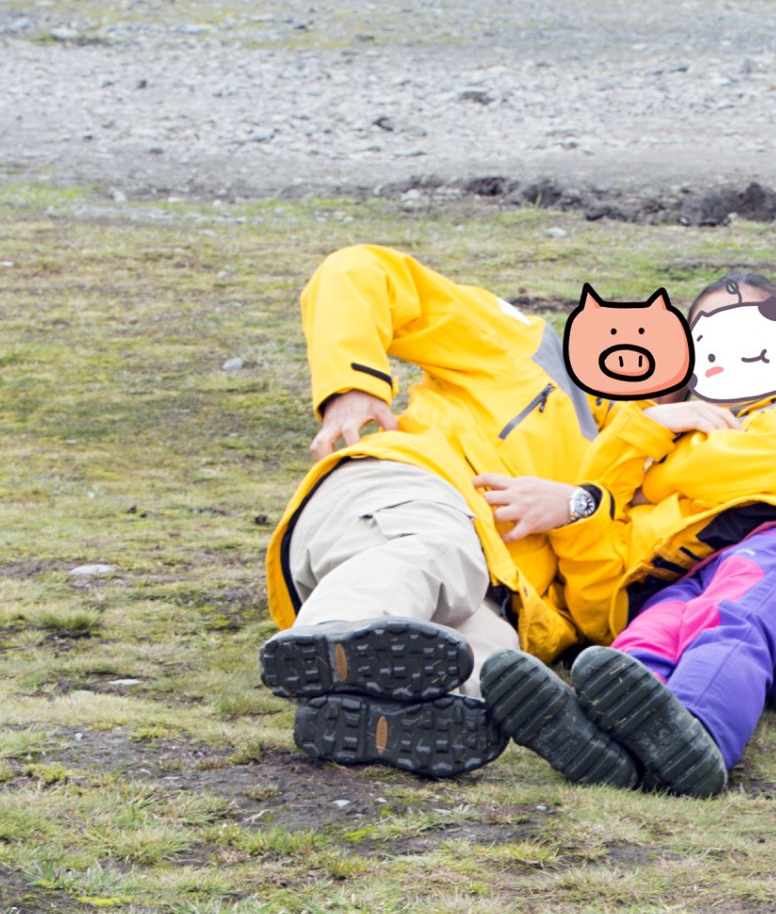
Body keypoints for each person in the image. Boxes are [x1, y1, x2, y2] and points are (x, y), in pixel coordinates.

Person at [467, 275, 776, 799]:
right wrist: (647, 426)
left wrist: (657, 475)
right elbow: (603, 522)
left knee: (734, 620)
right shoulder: (665, 431)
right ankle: (600, 742)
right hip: (689, 571)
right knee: (650, 635)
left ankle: (698, 733)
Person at [256, 245, 604, 776]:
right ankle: (334, 636)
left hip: (495, 593)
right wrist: (352, 386)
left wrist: (578, 507)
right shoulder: (530, 353)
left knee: (494, 657)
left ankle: (378, 723)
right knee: (443, 552)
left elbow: (607, 609)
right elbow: (359, 270)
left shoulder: (658, 479)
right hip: (408, 495)